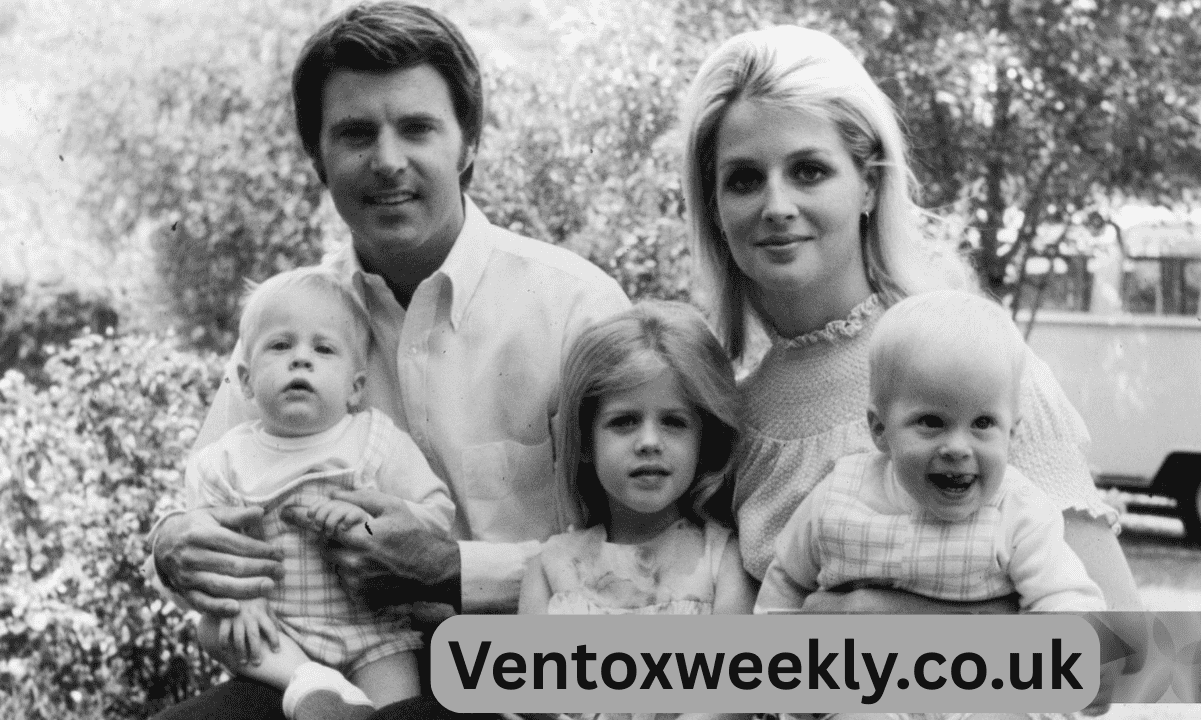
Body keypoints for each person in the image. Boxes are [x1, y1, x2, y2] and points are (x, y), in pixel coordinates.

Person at [148, 3, 631, 719]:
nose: (387, 160)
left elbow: (648, 557)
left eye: (416, 128)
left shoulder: (574, 309)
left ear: (468, 143)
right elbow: (203, 500)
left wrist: (453, 570)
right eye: (354, 133)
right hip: (333, 671)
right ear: (318, 159)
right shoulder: (297, 321)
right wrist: (173, 543)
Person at [679, 24, 1141, 615]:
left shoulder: (965, 364)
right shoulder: (733, 421)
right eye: (743, 179)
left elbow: (1125, 649)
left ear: (869, 185)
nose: (776, 206)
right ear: (715, 207)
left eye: (809, 170)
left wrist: (894, 620)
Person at [187, 267, 455, 718]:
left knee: (399, 712)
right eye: (280, 346)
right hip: (278, 632)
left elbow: (436, 515)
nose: (300, 360)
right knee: (214, 628)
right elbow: (209, 552)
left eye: (323, 349)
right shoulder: (225, 460)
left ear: (355, 387)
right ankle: (310, 682)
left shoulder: (376, 441)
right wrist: (242, 602)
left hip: (371, 632)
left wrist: (368, 523)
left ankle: (343, 702)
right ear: (246, 381)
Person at [754, 290, 1106, 615]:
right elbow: (785, 584)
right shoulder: (836, 497)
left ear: (1011, 434)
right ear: (880, 429)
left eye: (983, 423)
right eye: (932, 422)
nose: (957, 448)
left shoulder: (1018, 513)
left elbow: (1071, 607)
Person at [518, 302, 753, 720]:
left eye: (674, 422)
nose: (648, 442)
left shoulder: (723, 560)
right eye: (624, 421)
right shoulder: (549, 566)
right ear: (586, 442)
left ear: (705, 441)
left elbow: (731, 700)